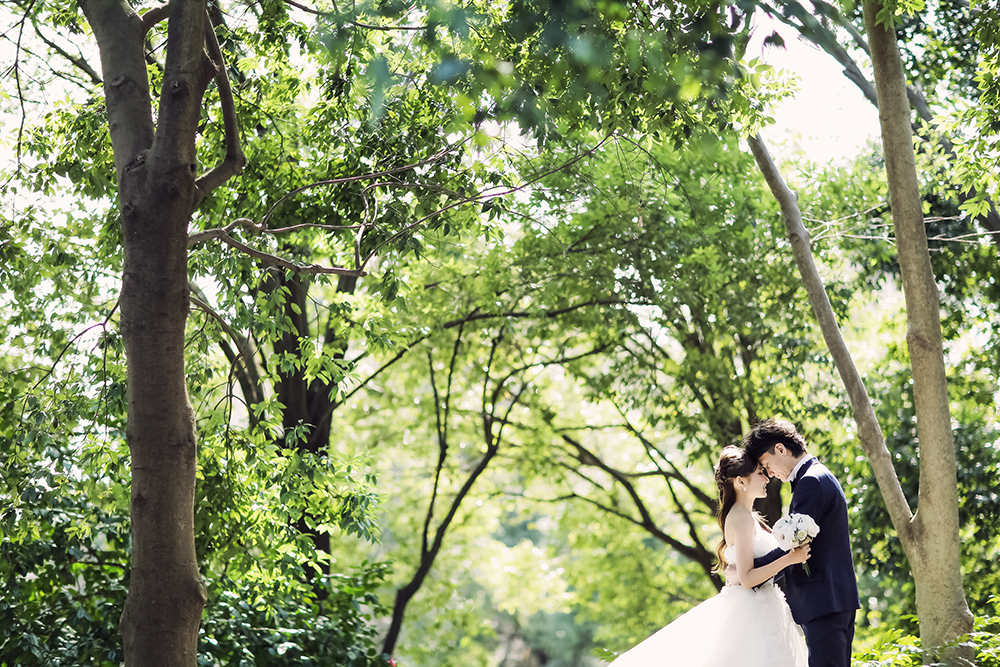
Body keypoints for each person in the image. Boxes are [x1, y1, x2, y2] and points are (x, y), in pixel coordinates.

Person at [605, 445, 810, 667]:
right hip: (753, 611)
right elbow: (749, 579)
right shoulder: (741, 518)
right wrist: (790, 558)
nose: (767, 477)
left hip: (766, 605)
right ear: (741, 482)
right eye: (760, 472)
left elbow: (750, 568)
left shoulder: (749, 516)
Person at [744, 418, 860, 667]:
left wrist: (751, 571)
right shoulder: (818, 475)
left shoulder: (810, 482)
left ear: (781, 449)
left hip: (823, 602)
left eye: (766, 465)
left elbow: (796, 548)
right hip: (833, 600)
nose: (769, 474)